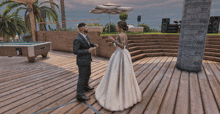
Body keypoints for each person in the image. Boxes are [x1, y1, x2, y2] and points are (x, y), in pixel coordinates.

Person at [95, 21, 142, 111]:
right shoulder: (124, 34)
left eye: (117, 25)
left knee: (116, 72)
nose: (116, 27)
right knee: (124, 74)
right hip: (123, 55)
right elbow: (124, 47)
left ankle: (116, 93)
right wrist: (115, 41)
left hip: (120, 55)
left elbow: (122, 46)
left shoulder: (120, 35)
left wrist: (113, 40)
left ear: (120, 27)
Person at [73, 23, 99, 101]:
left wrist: (93, 44)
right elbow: (75, 51)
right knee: (82, 77)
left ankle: (85, 86)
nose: (88, 28)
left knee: (88, 74)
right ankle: (79, 95)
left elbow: (87, 44)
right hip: (82, 61)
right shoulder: (77, 39)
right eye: (86, 27)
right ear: (82, 29)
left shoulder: (85, 36)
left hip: (87, 60)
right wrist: (87, 51)